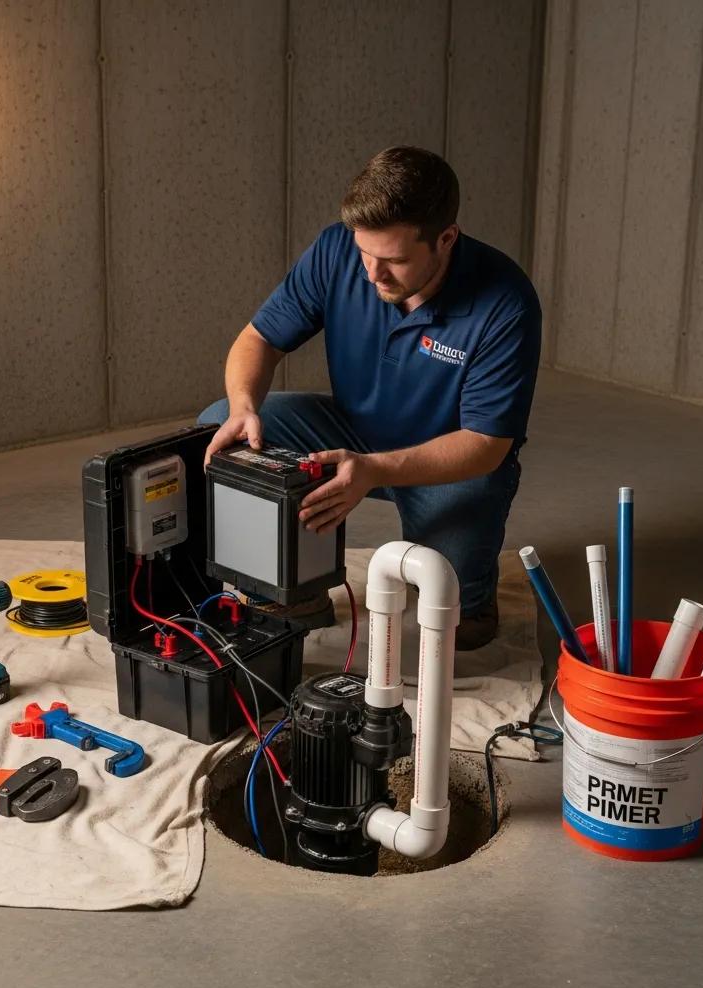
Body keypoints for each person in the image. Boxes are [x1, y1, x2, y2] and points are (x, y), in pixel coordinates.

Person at [199, 146, 540, 649]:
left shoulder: (505, 302)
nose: (373, 274)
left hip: (451, 462)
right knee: (221, 425)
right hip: (350, 431)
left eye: (395, 261)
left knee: (452, 631)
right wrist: (244, 405)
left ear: (445, 239)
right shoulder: (336, 250)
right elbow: (259, 340)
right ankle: (292, 587)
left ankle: (473, 595)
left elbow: (487, 444)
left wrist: (376, 469)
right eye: (366, 254)